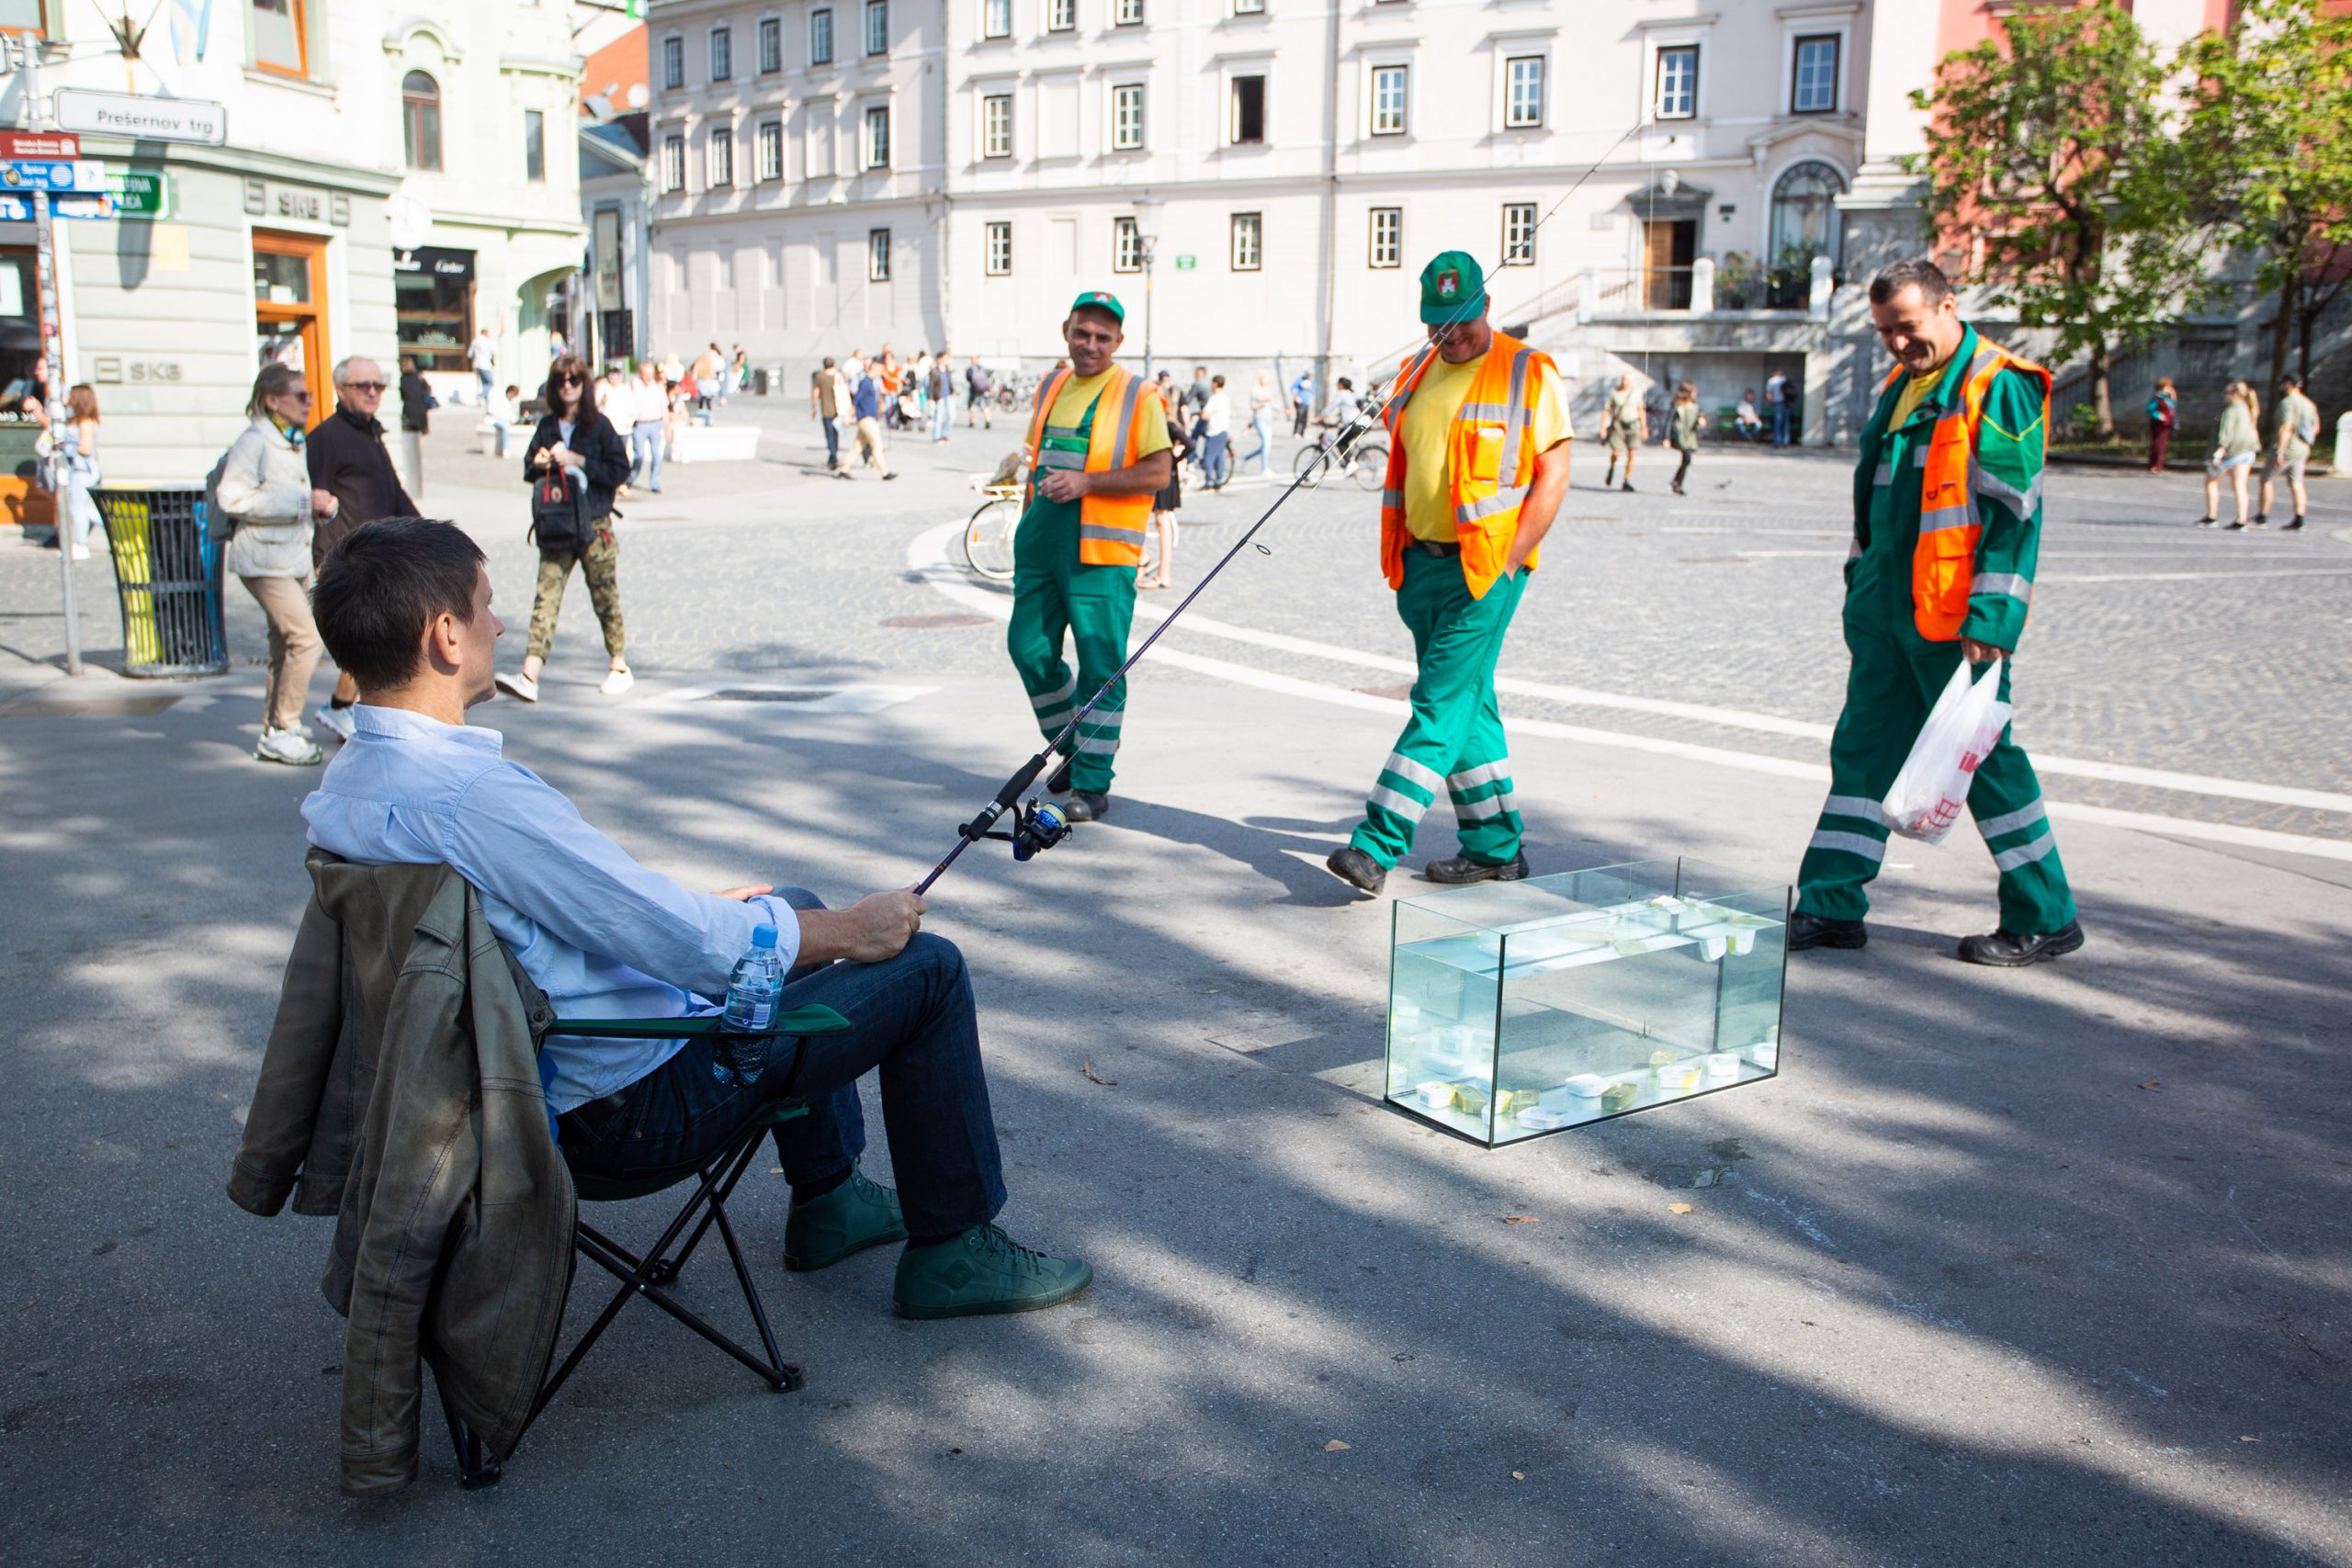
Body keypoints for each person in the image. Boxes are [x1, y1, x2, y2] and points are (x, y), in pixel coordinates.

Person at [303, 517, 1093, 1319]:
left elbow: (589, 911)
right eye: (484, 607)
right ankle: (954, 1250)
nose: (499, 625)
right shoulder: (473, 799)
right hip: (631, 1104)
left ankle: (829, 1199)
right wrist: (854, 931)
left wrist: (760, 918)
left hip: (529, 1072)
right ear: (445, 636)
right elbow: (678, 941)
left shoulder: (353, 782)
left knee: (791, 905)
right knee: (928, 969)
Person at [1791, 256, 2080, 967]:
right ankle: (1831, 905)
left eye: (1908, 327)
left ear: (1950, 306)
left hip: (1958, 624)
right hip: (1889, 615)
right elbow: (1880, 503)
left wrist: (1993, 618)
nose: (1896, 343)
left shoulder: (1999, 386)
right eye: (1885, 330)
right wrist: (1861, 584)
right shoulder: (1902, 384)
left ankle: (2046, 915)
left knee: (1986, 764)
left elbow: (2016, 520)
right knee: (1861, 752)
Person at [1324, 252, 1573, 896]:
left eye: (1461, 323)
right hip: (1420, 566)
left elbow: (1555, 474)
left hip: (1487, 569)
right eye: (1438, 325)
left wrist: (1514, 559)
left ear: (1487, 306)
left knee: (1436, 703)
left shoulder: (1528, 370)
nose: (1451, 336)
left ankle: (1375, 845)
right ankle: (1495, 847)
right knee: (1468, 704)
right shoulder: (1416, 367)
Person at [1005, 290, 1174, 824]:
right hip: (1041, 543)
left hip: (1101, 549)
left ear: (1118, 342)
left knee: (1101, 666)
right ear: (1066, 331)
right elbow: (1038, 464)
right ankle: (1074, 749)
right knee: (1027, 646)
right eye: (1083, 333)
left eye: (1103, 337)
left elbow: (1158, 472)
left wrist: (1088, 482)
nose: (1091, 345)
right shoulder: (1052, 384)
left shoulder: (1137, 394)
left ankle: (1093, 783)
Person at [495, 354, 634, 703]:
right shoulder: (546, 427)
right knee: (546, 596)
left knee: (605, 596)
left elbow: (620, 469)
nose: (568, 387)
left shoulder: (598, 425)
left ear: (584, 384)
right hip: (555, 524)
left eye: (574, 380)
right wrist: (540, 462)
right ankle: (530, 674)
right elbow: (528, 468)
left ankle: (619, 665)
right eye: (561, 381)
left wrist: (579, 461)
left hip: (593, 523)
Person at [216, 364, 333, 766]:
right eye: (300, 395)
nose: (309, 401)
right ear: (271, 400)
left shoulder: (289, 439)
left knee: (285, 644)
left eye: (309, 394)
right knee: (307, 637)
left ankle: (273, 727)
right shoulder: (255, 440)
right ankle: (284, 727)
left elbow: (288, 498)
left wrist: (319, 509)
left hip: (291, 557)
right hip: (263, 560)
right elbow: (231, 497)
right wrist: (302, 503)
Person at [307, 355, 420, 740]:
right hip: (349, 557)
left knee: (376, 633)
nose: (373, 392)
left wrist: (427, 530)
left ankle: (346, 709)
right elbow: (317, 501)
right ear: (341, 389)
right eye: (362, 385)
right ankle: (342, 709)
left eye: (378, 385)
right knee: (369, 634)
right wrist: (325, 559)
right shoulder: (326, 436)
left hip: (380, 551)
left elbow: (393, 490)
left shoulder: (371, 432)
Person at [2256, 372, 2318, 531]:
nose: (2280, 386)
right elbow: (2316, 427)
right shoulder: (2308, 403)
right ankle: (2300, 518)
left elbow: (2286, 427)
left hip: (2289, 447)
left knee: (2266, 478)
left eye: (2282, 383)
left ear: (2289, 384)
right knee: (2296, 482)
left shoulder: (2288, 403)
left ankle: (2262, 516)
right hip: (2303, 447)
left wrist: (2280, 451)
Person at [1141, 393, 1189, 592]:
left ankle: (1163, 573)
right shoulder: (1160, 424)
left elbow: (1190, 444)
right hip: (1159, 477)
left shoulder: (1168, 425)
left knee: (1162, 521)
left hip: (1165, 479)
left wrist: (1174, 459)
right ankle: (1145, 560)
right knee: (1154, 520)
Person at [2200, 380, 2259, 530]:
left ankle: (2211, 516)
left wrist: (2219, 452)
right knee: (2240, 485)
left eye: (2226, 393)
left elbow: (2226, 434)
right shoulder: (2248, 408)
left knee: (2211, 481)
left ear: (2235, 394)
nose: (2224, 396)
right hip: (2248, 451)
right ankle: (2241, 520)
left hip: (2233, 453)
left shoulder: (2231, 410)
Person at [59, 382, 101, 561]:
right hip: (77, 469)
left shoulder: (85, 421)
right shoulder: (78, 420)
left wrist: (66, 446)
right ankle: (110, 525)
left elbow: (85, 448)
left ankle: (81, 544)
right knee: (83, 508)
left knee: (79, 508)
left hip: (82, 470)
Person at [626, 359, 669, 493]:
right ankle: (630, 478)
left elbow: (664, 408)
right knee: (639, 455)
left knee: (656, 454)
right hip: (640, 424)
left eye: (651, 374)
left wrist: (667, 428)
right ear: (640, 374)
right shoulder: (634, 385)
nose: (648, 377)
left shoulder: (658, 387)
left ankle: (655, 483)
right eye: (646, 374)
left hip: (655, 423)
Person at [851, 357, 895, 479]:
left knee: (857, 447)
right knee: (877, 445)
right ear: (874, 369)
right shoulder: (865, 382)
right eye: (880, 370)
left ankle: (844, 469)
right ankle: (885, 473)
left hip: (870, 417)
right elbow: (856, 400)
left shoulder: (872, 382)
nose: (882, 373)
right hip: (866, 418)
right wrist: (849, 416)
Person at [396, 355, 432, 501]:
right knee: (418, 441)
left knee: (411, 443)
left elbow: (403, 396)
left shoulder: (403, 380)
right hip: (421, 412)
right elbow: (427, 392)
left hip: (410, 412)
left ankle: (414, 477)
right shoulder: (419, 378)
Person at [1601, 375, 1645, 491]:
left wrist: (1644, 428)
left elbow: (1641, 410)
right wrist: (1602, 427)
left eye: (1627, 379)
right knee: (1616, 452)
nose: (1625, 382)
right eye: (1623, 379)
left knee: (1632, 453)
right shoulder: (1614, 392)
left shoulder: (1636, 393)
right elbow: (1606, 410)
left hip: (1633, 425)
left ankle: (1626, 479)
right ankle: (1612, 466)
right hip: (1618, 425)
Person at [1667, 381, 1704, 495]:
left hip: (1690, 437)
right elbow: (1669, 421)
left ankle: (1676, 482)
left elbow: (1701, 416)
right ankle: (1677, 483)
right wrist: (1666, 438)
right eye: (1694, 391)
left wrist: (1702, 421)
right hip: (1680, 436)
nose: (1695, 394)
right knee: (1687, 459)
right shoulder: (1678, 406)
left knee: (1686, 460)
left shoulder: (1695, 406)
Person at [1200, 375, 1232, 490]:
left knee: (1208, 457)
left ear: (1214, 384)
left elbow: (1205, 415)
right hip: (1223, 430)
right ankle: (1219, 480)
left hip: (1213, 430)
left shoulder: (1214, 399)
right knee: (1219, 456)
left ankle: (1208, 481)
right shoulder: (1226, 398)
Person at [812, 356, 844, 471]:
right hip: (839, 410)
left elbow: (815, 393)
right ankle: (833, 456)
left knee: (829, 435)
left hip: (826, 410)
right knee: (836, 435)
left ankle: (833, 457)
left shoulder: (820, 377)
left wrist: (813, 408)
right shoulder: (838, 376)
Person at [1246, 370, 1277, 474]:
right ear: (1260, 379)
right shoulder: (1255, 390)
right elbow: (1253, 406)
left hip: (1268, 420)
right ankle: (1264, 468)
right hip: (1260, 420)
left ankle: (1247, 458)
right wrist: (1263, 401)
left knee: (1266, 445)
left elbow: (1272, 405)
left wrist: (1286, 411)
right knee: (1266, 444)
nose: (1267, 381)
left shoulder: (1268, 390)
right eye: (1265, 378)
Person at [2145, 377, 2177, 473]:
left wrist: (2174, 397)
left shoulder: (2167, 399)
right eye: (2168, 387)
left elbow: (2173, 407)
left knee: (2162, 444)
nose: (2170, 389)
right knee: (2157, 444)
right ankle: (2154, 465)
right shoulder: (2157, 397)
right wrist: (2158, 415)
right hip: (2158, 424)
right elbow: (2150, 409)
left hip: (2166, 424)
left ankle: (2159, 464)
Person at [488, 383, 522, 459]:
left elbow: (510, 415)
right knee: (505, 427)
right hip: (495, 419)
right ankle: (505, 449)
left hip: (503, 420)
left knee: (506, 426)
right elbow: (492, 410)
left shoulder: (508, 401)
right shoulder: (499, 398)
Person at [928, 352, 955, 443]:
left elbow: (949, 382)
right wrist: (930, 397)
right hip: (939, 397)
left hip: (948, 396)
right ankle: (936, 437)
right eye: (945, 359)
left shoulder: (947, 370)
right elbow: (931, 385)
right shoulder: (934, 371)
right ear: (939, 359)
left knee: (952, 416)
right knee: (938, 418)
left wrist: (952, 391)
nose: (946, 361)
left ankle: (944, 434)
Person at [469, 329, 496, 405]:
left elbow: (470, 354)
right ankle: (481, 395)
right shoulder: (487, 341)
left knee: (484, 383)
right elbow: (494, 352)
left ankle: (485, 399)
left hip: (477, 364)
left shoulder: (475, 341)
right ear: (485, 333)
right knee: (490, 383)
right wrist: (494, 362)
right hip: (485, 365)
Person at [1764, 367, 1792, 446]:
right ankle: (1786, 441)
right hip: (1787, 403)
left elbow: (1769, 394)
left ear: (1773, 373)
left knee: (1778, 422)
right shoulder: (1785, 379)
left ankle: (1777, 441)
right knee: (1786, 423)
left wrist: (1771, 402)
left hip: (1778, 403)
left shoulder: (1772, 381)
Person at [966, 358, 995, 431]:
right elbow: (989, 375)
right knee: (985, 406)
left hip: (975, 390)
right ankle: (988, 421)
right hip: (984, 390)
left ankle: (972, 421)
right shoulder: (982, 368)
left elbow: (968, 378)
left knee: (973, 406)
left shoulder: (970, 369)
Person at [1290, 370, 1313, 438]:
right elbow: (1293, 389)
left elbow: (1313, 390)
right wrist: (1296, 396)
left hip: (1306, 402)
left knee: (1305, 418)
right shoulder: (1299, 380)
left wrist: (1309, 388)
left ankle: (1303, 433)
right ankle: (1296, 432)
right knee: (1299, 417)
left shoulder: (1312, 381)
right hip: (1300, 402)